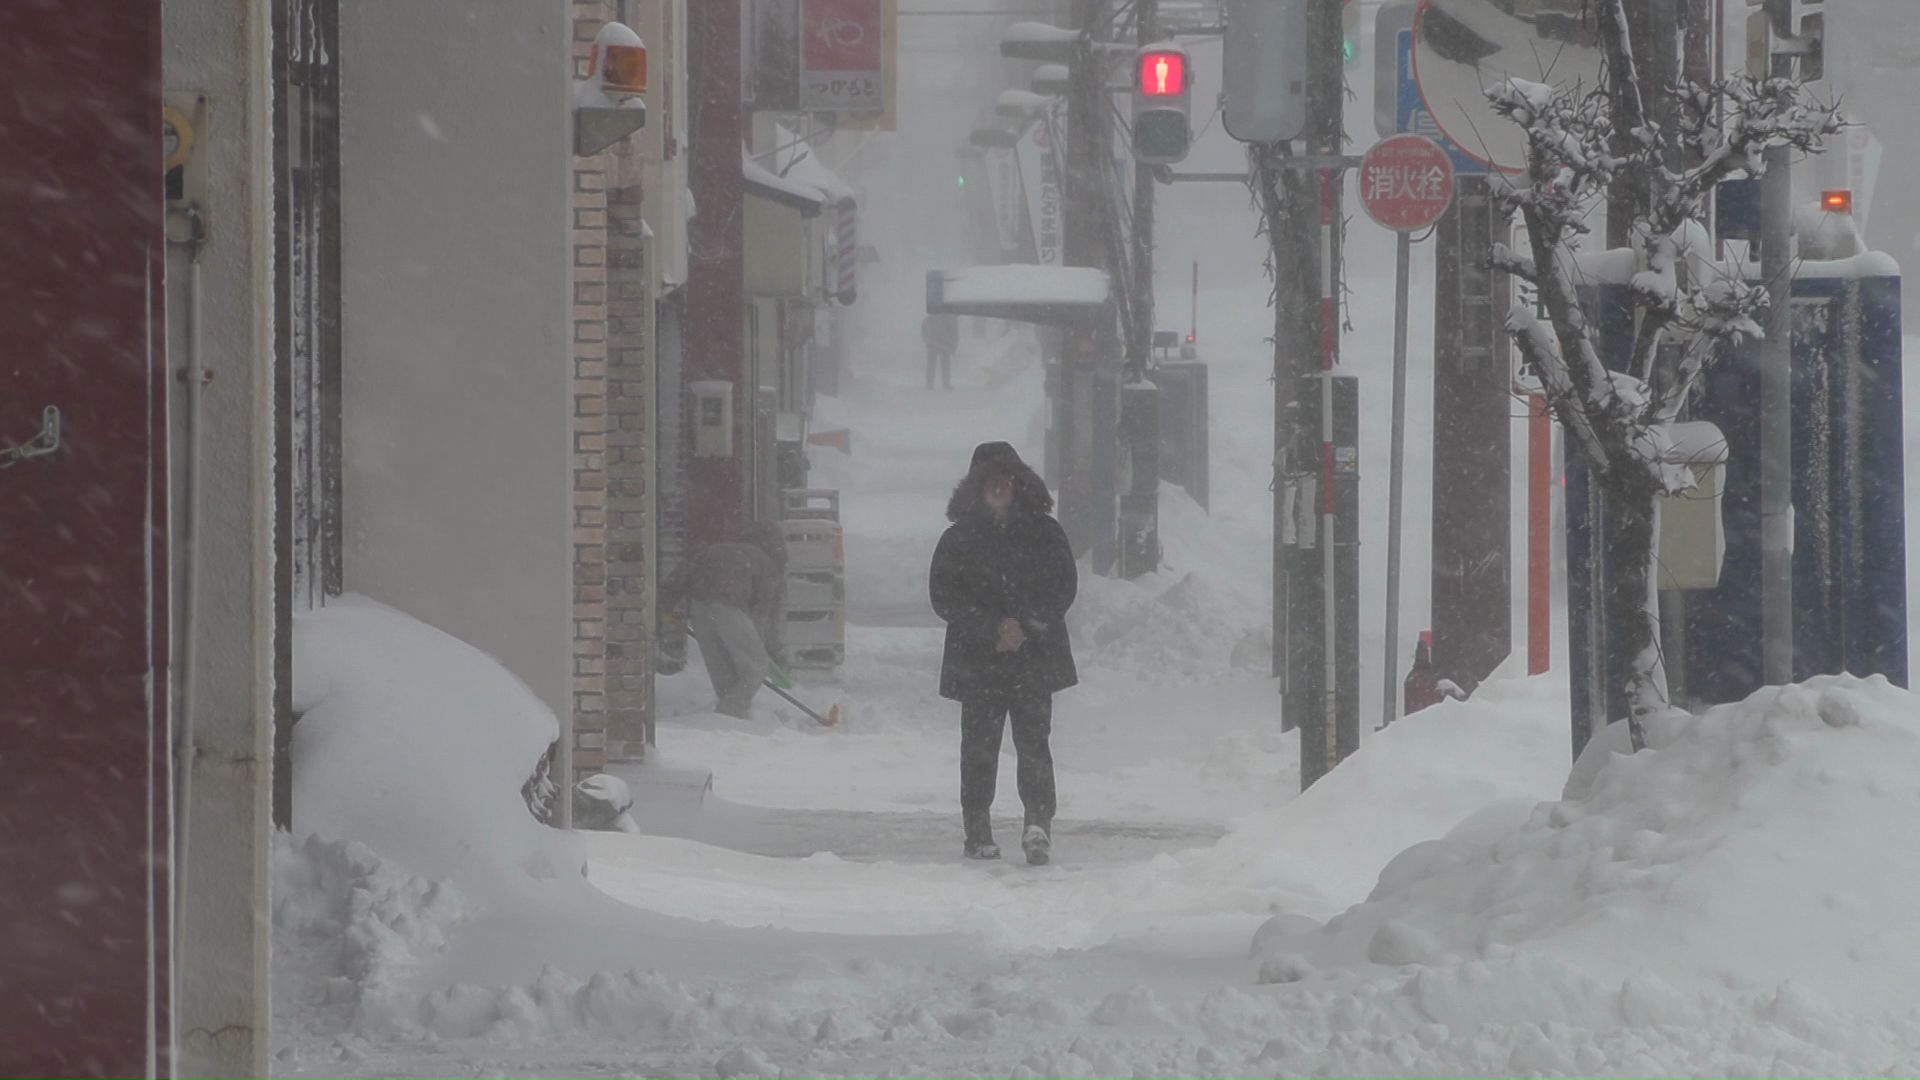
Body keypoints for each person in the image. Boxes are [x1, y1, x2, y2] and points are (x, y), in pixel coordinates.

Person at [929, 442, 1078, 864]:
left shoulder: (1045, 533)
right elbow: (944, 597)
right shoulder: (957, 540)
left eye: (1005, 480)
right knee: (979, 748)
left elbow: (1062, 587)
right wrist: (992, 629)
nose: (999, 488)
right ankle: (977, 830)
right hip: (979, 661)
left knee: (1034, 744)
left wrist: (1024, 626)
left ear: (1019, 484)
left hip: (1030, 660)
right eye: (989, 481)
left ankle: (1037, 823)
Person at [664, 522, 787, 719]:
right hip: (729, 606)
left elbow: (678, 577)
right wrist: (769, 648)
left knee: (721, 667)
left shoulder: (714, 550)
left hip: (699, 608)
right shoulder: (767, 564)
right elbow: (764, 613)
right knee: (756, 668)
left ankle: (727, 720)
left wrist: (662, 606)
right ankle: (731, 711)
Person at [922, 312, 959, 390]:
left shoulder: (929, 318)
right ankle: (945, 384)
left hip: (932, 344)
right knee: (945, 365)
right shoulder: (950, 319)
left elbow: (924, 331)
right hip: (944, 345)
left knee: (931, 364)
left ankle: (929, 384)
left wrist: (926, 339)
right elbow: (954, 334)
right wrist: (953, 345)